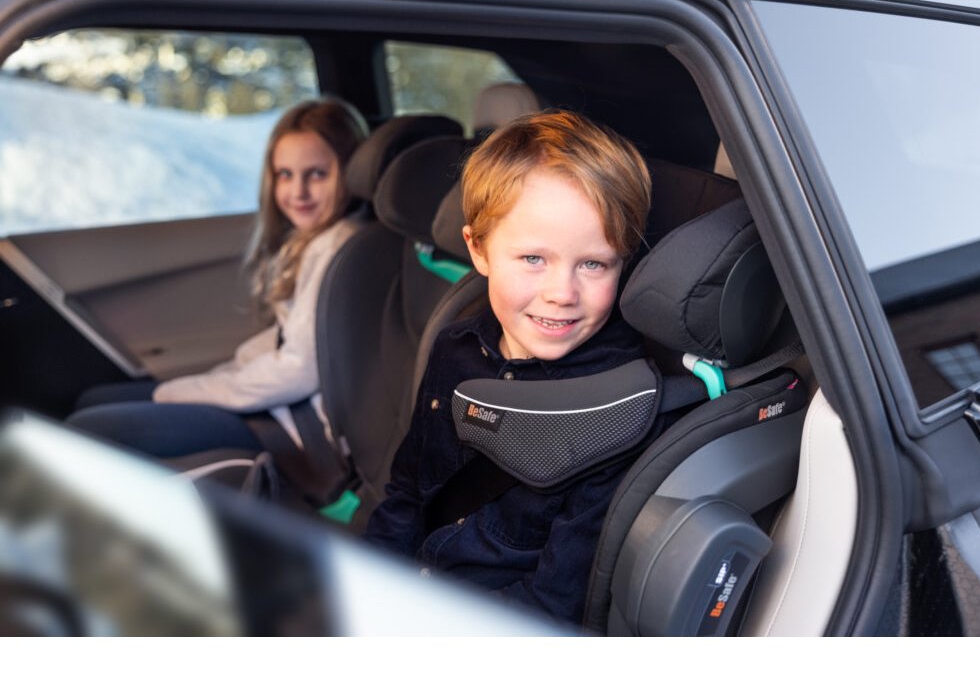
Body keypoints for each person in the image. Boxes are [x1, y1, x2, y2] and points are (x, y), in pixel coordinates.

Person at [362, 110, 660, 625]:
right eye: (533, 259)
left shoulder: (618, 410)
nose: (562, 293)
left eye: (593, 263)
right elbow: (408, 493)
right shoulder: (454, 348)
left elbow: (554, 603)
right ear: (478, 249)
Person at [67, 97, 367, 458]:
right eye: (285, 174)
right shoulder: (316, 241)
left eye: (317, 174)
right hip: (278, 406)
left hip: (296, 429)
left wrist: (195, 389)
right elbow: (290, 341)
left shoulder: (338, 247)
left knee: (87, 429)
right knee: (93, 400)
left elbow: (299, 369)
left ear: (351, 173)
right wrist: (222, 377)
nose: (297, 191)